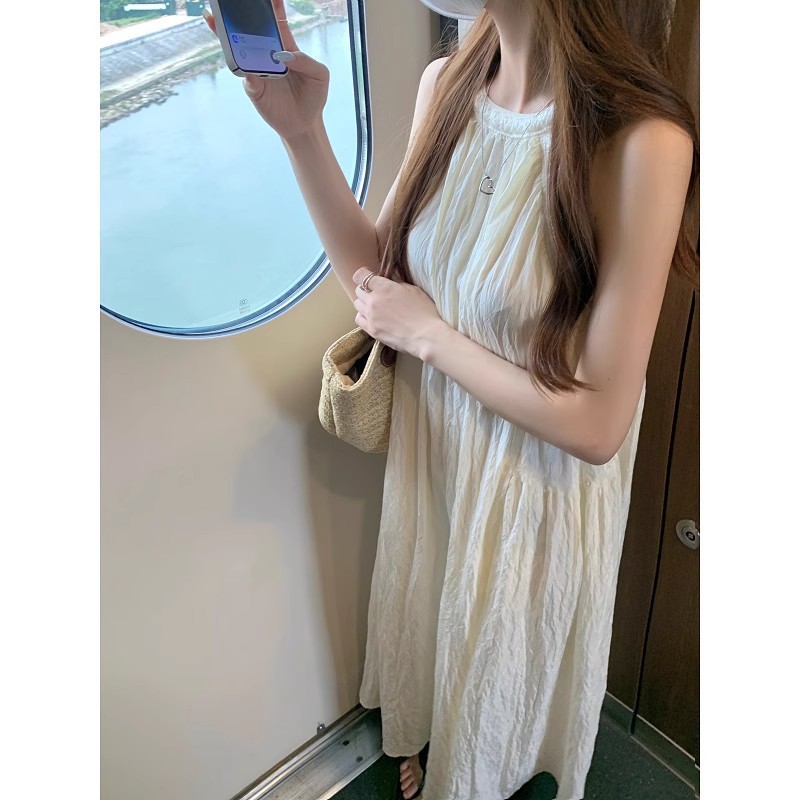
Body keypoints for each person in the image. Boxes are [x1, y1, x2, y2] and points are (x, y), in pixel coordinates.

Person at [204, 1, 698, 798]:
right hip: (437, 452)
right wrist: (301, 132)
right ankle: (446, 747)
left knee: (497, 671)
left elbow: (599, 422)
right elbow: (379, 278)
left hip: (529, 484)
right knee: (441, 634)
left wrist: (431, 337)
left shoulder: (642, 142)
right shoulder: (448, 83)